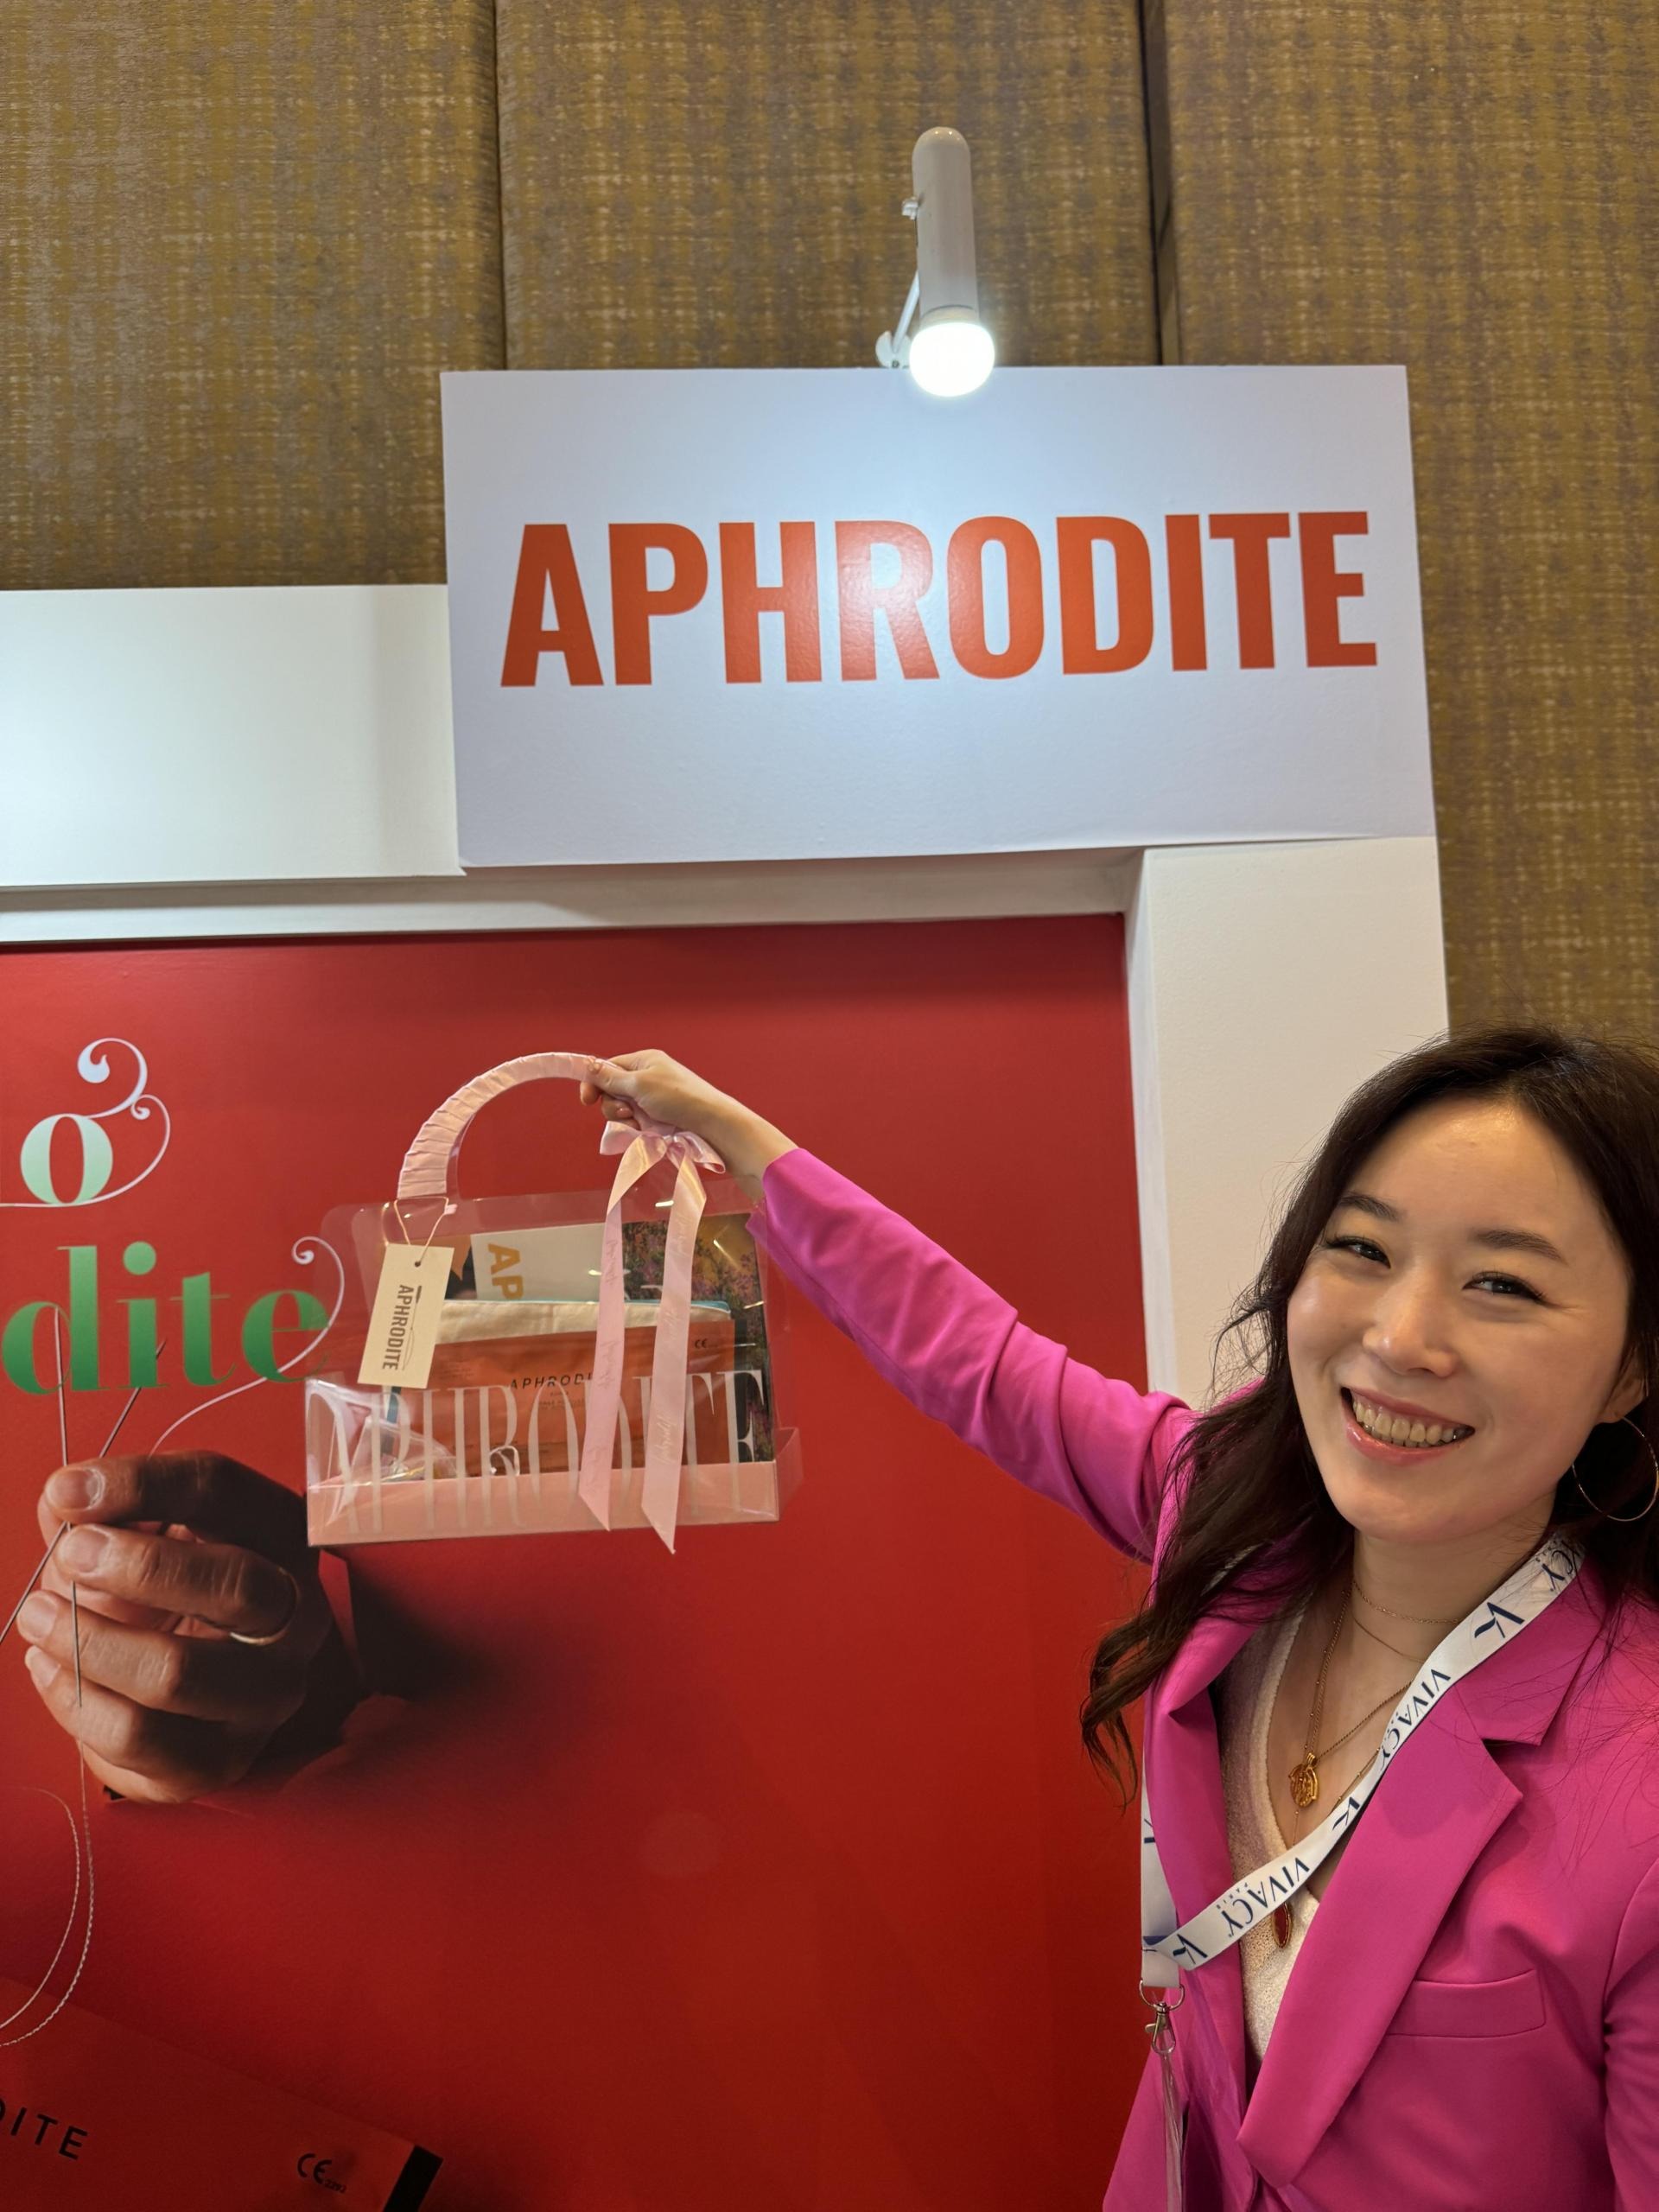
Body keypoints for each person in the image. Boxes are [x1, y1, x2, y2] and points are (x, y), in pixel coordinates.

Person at [570, 1027, 1659, 2212]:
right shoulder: (1232, 1520)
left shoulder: (1639, 1796)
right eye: (1362, 1248)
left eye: (1504, 1284)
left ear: (1632, 1367)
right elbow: (982, 1361)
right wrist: (746, 1147)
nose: (1399, 1340)